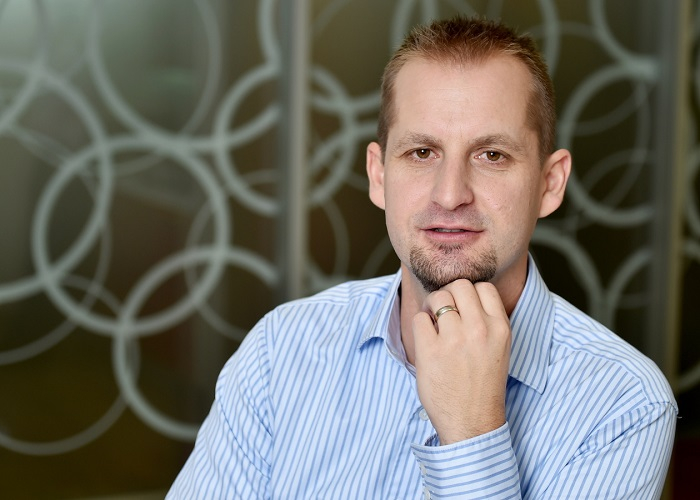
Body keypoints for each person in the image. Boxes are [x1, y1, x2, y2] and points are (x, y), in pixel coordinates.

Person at [167, 15, 677, 499]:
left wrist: (472, 431)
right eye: (421, 152)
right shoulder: (281, 351)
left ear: (550, 183)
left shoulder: (623, 403)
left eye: (491, 155)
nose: (450, 194)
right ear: (378, 175)